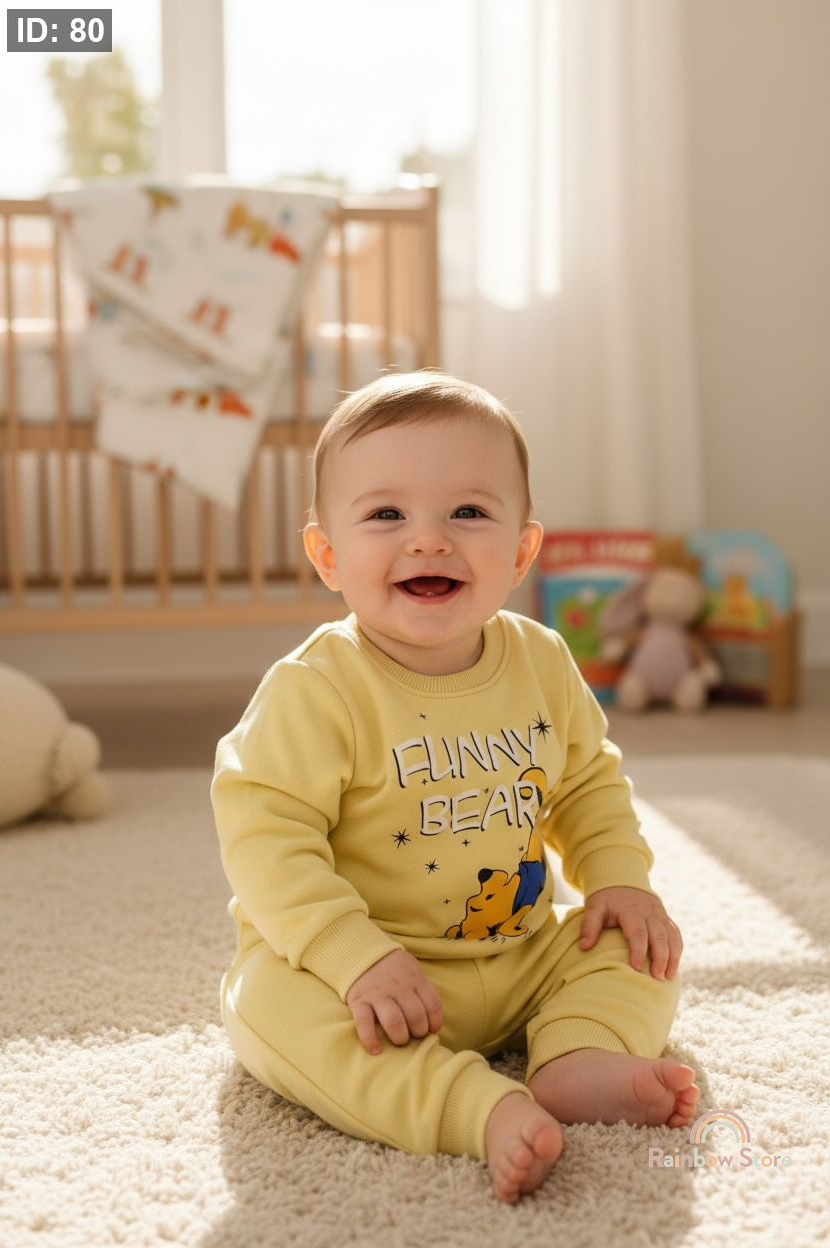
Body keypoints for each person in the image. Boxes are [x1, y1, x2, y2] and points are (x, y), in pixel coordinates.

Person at [211, 371, 699, 1203]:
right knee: (264, 1004)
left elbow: (586, 782)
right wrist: (352, 957)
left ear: (522, 551)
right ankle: (472, 1107)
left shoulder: (542, 659)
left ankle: (578, 1054)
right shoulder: (315, 689)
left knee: (642, 947)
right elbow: (265, 838)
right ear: (328, 556)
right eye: (386, 515)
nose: (430, 541)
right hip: (364, 975)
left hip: (520, 951)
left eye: (468, 512)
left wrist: (620, 879)